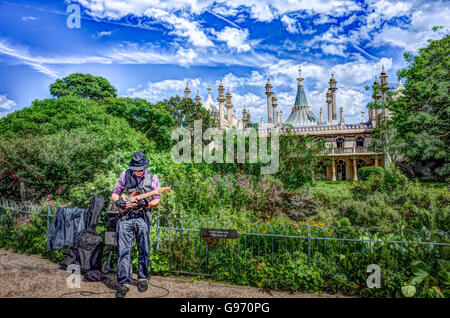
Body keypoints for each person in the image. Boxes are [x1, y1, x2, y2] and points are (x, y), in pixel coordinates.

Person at [111, 152, 160, 298]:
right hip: (125, 217)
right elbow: (115, 193)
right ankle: (124, 283)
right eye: (135, 168)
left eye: (139, 169)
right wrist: (117, 201)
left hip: (142, 217)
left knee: (143, 248)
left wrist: (148, 203)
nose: (137, 171)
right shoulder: (124, 175)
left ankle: (142, 278)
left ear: (144, 167)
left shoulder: (153, 178)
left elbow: (157, 199)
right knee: (124, 251)